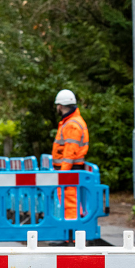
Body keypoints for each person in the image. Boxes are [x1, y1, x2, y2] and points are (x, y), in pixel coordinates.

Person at [51, 89, 89, 219]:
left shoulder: (71, 124)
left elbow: (69, 152)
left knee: (70, 205)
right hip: (69, 170)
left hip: (69, 171)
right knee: (69, 204)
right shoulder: (70, 122)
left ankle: (73, 236)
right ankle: (71, 236)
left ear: (60, 106)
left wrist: (63, 173)